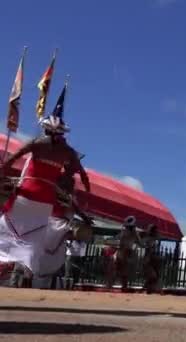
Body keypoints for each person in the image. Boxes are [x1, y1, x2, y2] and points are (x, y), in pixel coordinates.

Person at [0, 114, 90, 279]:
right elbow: (84, 177)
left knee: (6, 230)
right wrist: (84, 200)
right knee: (34, 238)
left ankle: (7, 266)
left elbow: (12, 159)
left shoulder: (38, 143)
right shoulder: (68, 151)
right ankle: (28, 272)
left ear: (46, 129)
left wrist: (3, 171)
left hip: (27, 194)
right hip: (45, 200)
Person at [107, 216, 141, 291]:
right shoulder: (128, 232)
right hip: (124, 252)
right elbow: (139, 243)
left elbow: (138, 243)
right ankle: (114, 286)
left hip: (125, 252)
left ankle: (117, 286)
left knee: (120, 270)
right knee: (118, 269)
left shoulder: (131, 232)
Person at [142, 224, 161, 294]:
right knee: (152, 276)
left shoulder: (154, 239)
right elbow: (148, 249)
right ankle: (145, 289)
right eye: (155, 231)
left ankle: (147, 289)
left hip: (153, 260)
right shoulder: (148, 239)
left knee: (153, 276)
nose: (157, 232)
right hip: (148, 260)